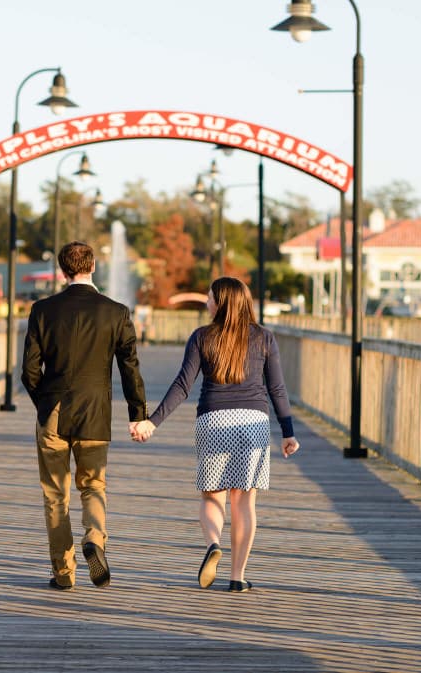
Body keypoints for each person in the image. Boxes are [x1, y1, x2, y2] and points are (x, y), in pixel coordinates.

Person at [132, 276, 299, 592]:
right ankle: (237, 577)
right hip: (253, 422)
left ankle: (212, 544)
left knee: (212, 495)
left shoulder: (201, 337)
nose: (207, 302)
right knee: (244, 502)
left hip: (214, 420)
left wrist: (152, 422)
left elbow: (183, 385)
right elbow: (276, 387)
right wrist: (288, 432)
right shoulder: (264, 338)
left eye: (210, 298)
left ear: (220, 303)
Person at [21, 241, 146, 590]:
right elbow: (130, 369)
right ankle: (95, 538)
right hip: (95, 413)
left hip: (53, 413)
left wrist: (45, 404)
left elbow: (29, 371)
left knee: (55, 495)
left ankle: (64, 573)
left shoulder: (43, 310)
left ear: (63, 270)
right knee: (93, 485)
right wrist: (138, 414)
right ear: (93, 267)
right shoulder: (116, 312)